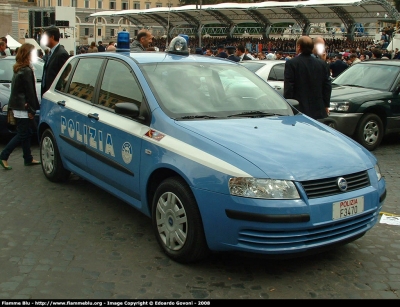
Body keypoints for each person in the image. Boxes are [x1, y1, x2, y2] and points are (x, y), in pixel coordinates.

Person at [0, 43, 41, 170]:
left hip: (19, 105)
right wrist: (32, 109)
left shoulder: (20, 68)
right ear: (27, 54)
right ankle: (3, 156)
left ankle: (27, 157)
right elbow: (30, 91)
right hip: (24, 107)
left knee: (27, 132)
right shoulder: (27, 70)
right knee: (22, 134)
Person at [284, 36, 332, 120]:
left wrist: (288, 105)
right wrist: (326, 105)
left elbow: (289, 87)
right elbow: (327, 86)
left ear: (299, 47)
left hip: (299, 108)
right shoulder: (322, 64)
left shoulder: (292, 63)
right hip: (318, 108)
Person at [41, 26, 70, 97]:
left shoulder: (61, 54)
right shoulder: (51, 53)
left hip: (55, 94)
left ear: (52, 37)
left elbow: (64, 76)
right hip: (47, 92)